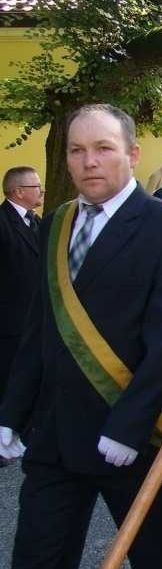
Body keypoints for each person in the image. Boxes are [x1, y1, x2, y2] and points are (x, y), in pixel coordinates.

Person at [0, 104, 162, 569]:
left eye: (103, 149)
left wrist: (128, 428)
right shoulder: (54, 225)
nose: (89, 161)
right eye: (77, 150)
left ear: (132, 154)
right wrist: (10, 414)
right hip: (54, 438)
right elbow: (38, 331)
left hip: (132, 438)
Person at [0, 167, 43, 469]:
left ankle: (19, 432)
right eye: (35, 186)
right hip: (9, 317)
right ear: (18, 191)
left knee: (26, 376)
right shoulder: (3, 223)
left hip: (31, 316)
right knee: (5, 378)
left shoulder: (36, 221)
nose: (41, 190)